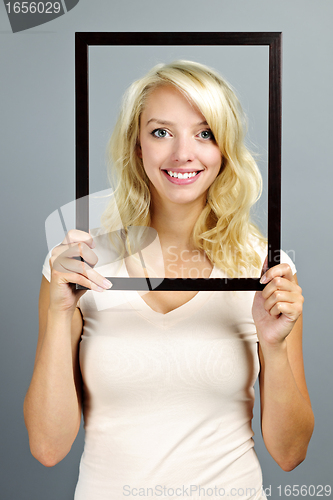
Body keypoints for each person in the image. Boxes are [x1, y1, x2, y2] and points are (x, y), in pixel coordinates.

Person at [24, 60, 314, 500]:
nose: (183, 154)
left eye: (205, 133)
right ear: (137, 146)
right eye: (161, 132)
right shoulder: (78, 266)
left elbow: (291, 454)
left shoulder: (265, 270)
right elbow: (47, 447)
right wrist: (59, 309)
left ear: (225, 150)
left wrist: (273, 346)